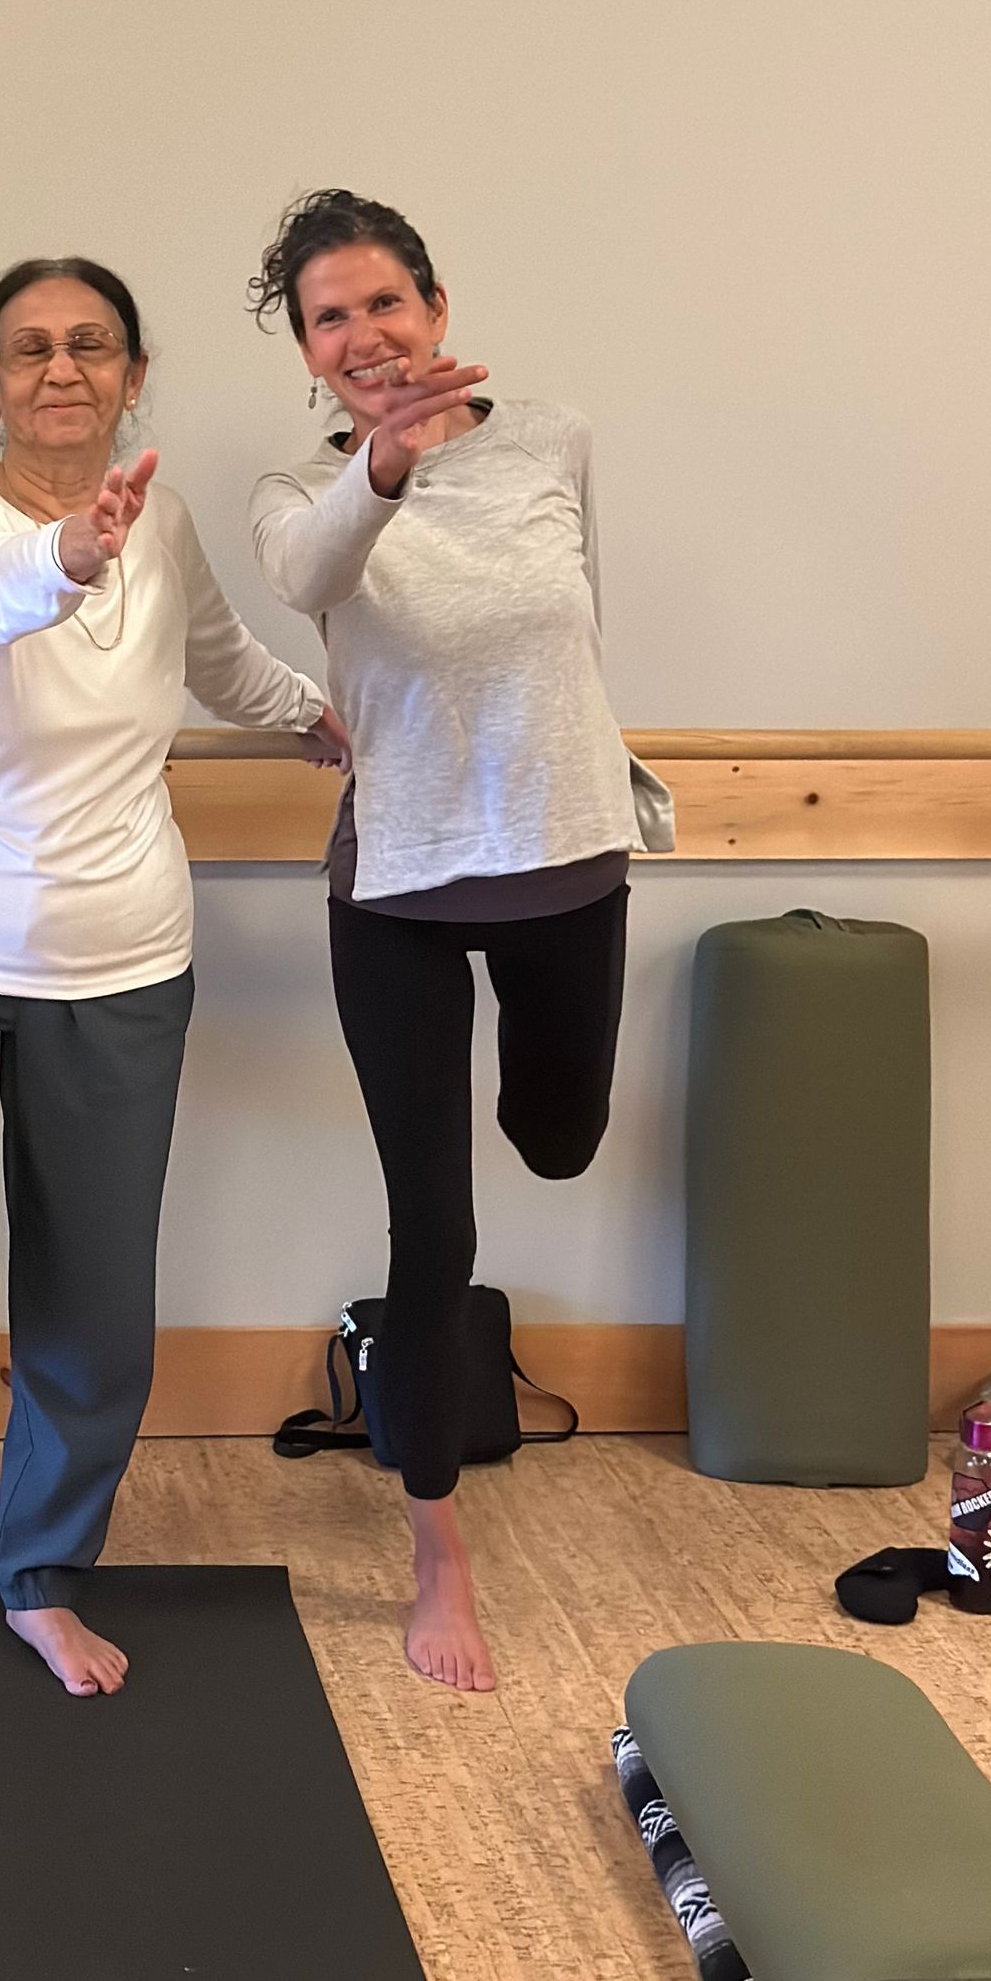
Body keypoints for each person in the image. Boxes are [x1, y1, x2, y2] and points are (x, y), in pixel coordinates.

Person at [0, 256, 349, 1696]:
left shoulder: (166, 519)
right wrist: (67, 555)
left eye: (92, 346)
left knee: (98, 1308)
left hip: (120, 956)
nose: (62, 369)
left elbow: (221, 660)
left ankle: (41, 1573)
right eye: (30, 349)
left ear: (130, 374)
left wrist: (319, 715)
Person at [246, 190, 672, 1696]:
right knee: (434, 1229)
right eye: (329, 318)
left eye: (382, 304)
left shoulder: (553, 436)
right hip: (404, 890)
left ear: (434, 306)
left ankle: (538, 1091)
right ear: (307, 351)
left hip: (567, 862)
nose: (364, 336)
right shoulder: (299, 494)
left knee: (556, 1141)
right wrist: (389, 464)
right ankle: (439, 1547)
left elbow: (582, 625)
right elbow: (311, 585)